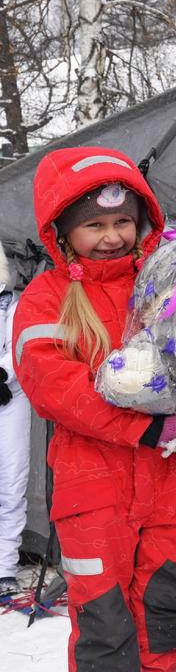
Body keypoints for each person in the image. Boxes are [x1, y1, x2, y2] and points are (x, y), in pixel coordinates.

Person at [14, 147, 176, 672]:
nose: (112, 235)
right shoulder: (44, 299)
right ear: (62, 229)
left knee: (165, 610)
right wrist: (146, 423)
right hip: (92, 494)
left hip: (170, 483)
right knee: (106, 623)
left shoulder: (165, 287)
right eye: (95, 225)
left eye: (123, 221)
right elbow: (54, 386)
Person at [0, 243, 30, 596]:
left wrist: (3, 375)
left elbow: (23, 346)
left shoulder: (17, 305)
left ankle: (4, 564)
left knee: (11, 481)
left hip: (13, 396)